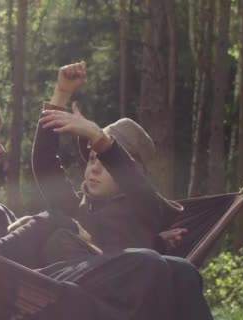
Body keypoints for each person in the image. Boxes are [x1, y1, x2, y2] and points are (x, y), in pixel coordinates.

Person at [0, 82, 178, 319]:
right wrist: (47, 221)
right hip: (24, 300)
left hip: (40, 290)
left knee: (180, 271)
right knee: (149, 265)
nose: (1, 149)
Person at [33, 62, 213, 320]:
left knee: (183, 270)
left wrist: (98, 136)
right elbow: (45, 164)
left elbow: (135, 184)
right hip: (83, 305)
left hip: (135, 305)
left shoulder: (146, 207)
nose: (93, 168)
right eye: (92, 158)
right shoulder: (74, 210)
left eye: (104, 161)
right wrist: (60, 94)